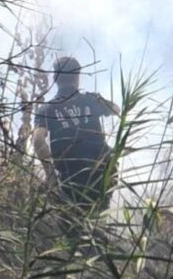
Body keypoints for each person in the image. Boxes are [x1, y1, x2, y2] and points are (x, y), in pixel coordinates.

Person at [32, 56, 120, 211]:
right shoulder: (91, 99)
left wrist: (50, 175)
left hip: (71, 181)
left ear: (55, 79)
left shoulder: (47, 109)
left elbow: (38, 139)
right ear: (77, 77)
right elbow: (116, 109)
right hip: (101, 174)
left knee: (73, 226)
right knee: (97, 220)